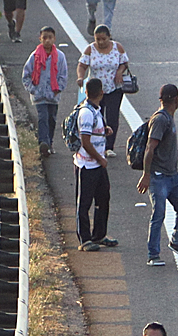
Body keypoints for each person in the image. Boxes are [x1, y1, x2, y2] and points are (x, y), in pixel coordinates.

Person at [139, 83, 178, 266]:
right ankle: (153, 254)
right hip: (159, 177)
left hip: (172, 175)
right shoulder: (161, 120)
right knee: (159, 214)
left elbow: (167, 145)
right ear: (175, 99)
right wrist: (147, 174)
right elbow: (150, 148)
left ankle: (176, 241)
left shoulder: (168, 118)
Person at [72, 77, 113, 252]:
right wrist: (100, 158)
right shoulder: (86, 113)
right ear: (101, 93)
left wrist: (105, 130)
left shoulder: (95, 109)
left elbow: (94, 133)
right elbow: (86, 142)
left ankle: (99, 234)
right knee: (84, 202)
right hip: (86, 165)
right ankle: (84, 239)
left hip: (96, 165)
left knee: (103, 198)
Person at [76, 24, 131, 155]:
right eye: (97, 39)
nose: (100, 42)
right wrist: (80, 77)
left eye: (103, 39)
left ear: (109, 37)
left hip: (113, 89)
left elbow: (124, 63)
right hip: (96, 90)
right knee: (97, 116)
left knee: (112, 117)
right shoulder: (90, 49)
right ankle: (96, 144)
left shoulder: (118, 47)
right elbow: (82, 65)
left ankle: (109, 147)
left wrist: (119, 72)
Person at [23, 25, 70, 155]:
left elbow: (63, 76)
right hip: (39, 96)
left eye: (50, 38)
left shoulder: (60, 57)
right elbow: (26, 75)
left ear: (54, 39)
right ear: (40, 39)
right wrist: (33, 90)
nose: (47, 41)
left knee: (52, 119)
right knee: (42, 117)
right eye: (44, 38)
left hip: (53, 96)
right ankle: (43, 143)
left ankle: (49, 142)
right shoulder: (34, 56)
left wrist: (58, 89)